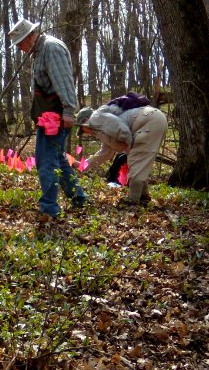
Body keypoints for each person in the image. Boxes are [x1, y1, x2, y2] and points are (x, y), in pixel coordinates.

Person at [9, 18, 88, 221]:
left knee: (46, 160)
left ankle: (49, 208)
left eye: (20, 43)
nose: (19, 48)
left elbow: (63, 81)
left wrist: (69, 110)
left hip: (57, 117)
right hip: (48, 117)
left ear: (31, 37)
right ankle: (78, 197)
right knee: (58, 158)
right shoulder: (40, 51)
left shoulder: (51, 49)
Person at [75, 100, 168, 205]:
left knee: (135, 159)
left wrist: (129, 144)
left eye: (83, 130)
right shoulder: (102, 128)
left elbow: (121, 127)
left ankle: (133, 200)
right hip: (154, 119)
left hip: (149, 121)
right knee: (140, 162)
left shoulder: (97, 118)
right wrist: (82, 165)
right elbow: (104, 154)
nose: (85, 133)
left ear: (86, 121)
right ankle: (143, 196)